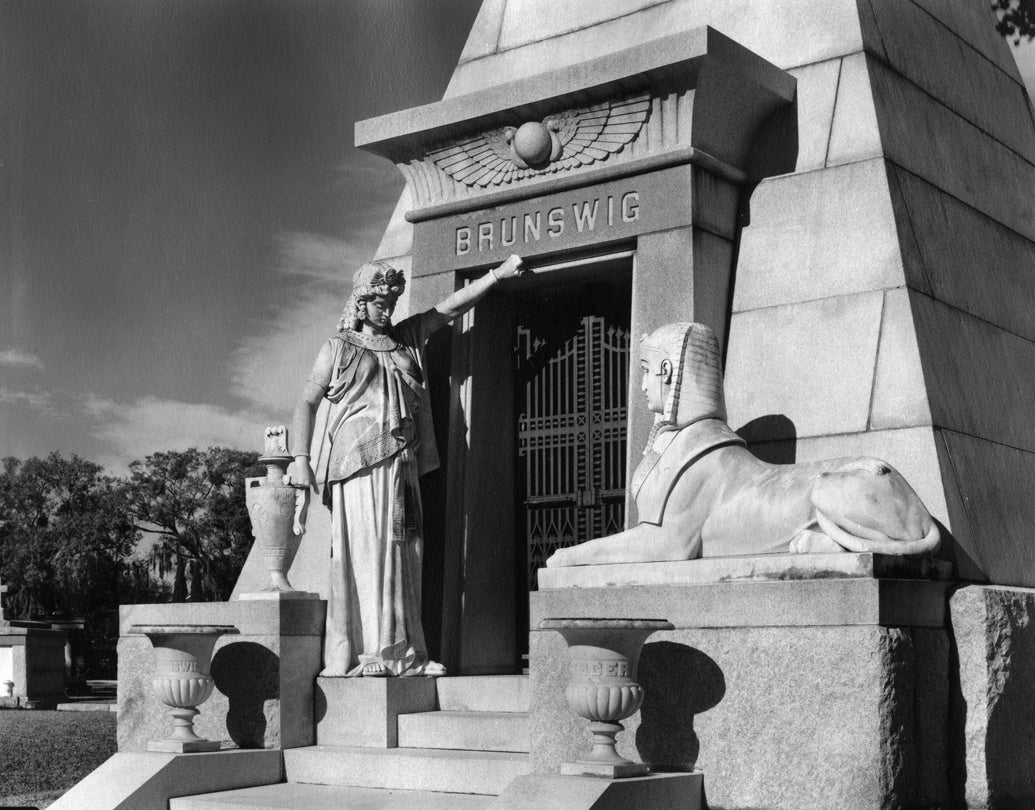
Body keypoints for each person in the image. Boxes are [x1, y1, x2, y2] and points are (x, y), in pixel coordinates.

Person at [290, 254, 523, 677]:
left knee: (405, 553)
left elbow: (450, 308)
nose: (387, 309)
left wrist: (496, 275)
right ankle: (368, 651)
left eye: (391, 300)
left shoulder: (406, 339)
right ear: (361, 303)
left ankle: (404, 651)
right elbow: (306, 402)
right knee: (365, 553)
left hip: (401, 464)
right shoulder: (337, 348)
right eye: (379, 301)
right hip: (356, 467)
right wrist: (301, 461)